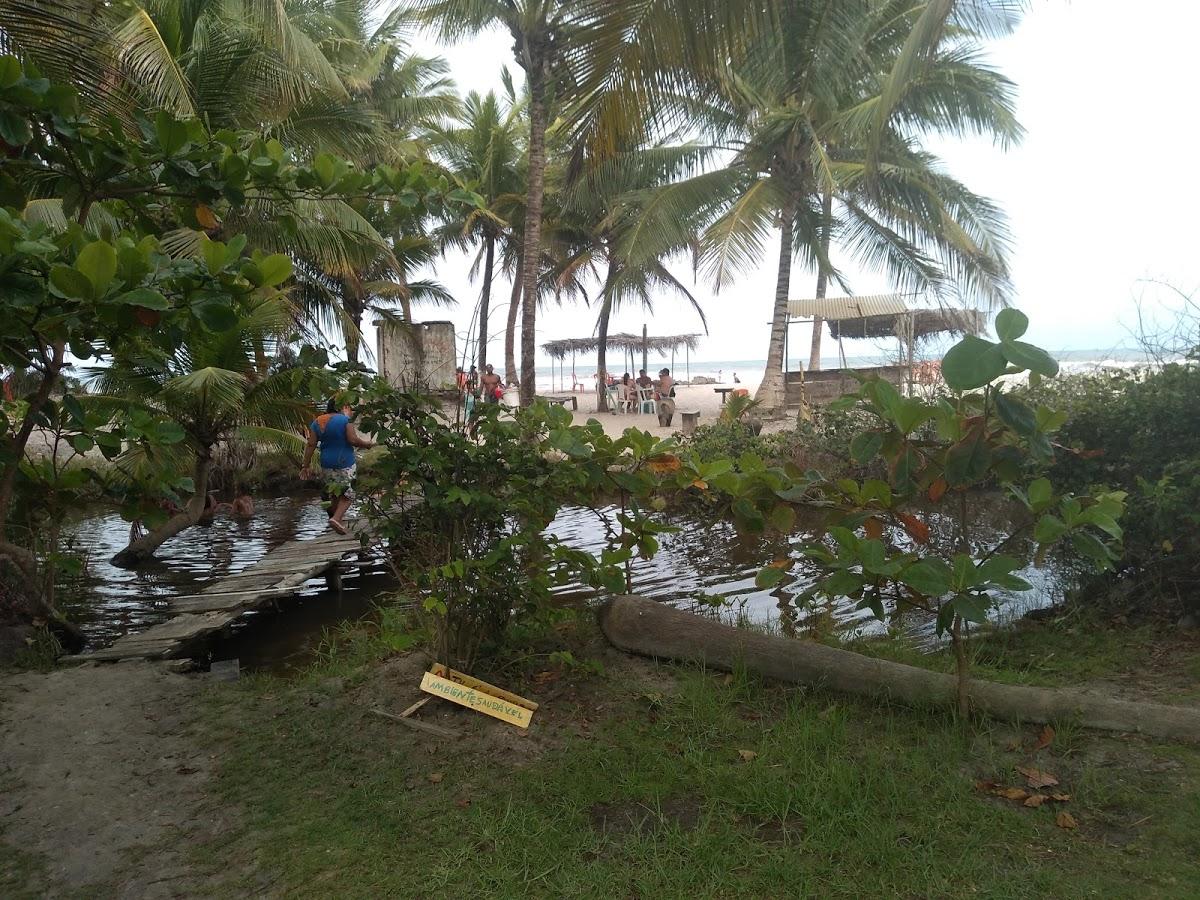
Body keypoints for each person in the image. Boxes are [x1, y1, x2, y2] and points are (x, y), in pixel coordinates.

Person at [301, 399, 374, 535]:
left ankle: (336, 520)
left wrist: (305, 465)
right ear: (342, 408)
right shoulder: (345, 420)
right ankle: (336, 518)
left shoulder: (318, 421)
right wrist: (367, 444)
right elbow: (352, 440)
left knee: (335, 492)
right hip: (344, 461)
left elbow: (311, 444)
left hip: (326, 461)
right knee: (349, 493)